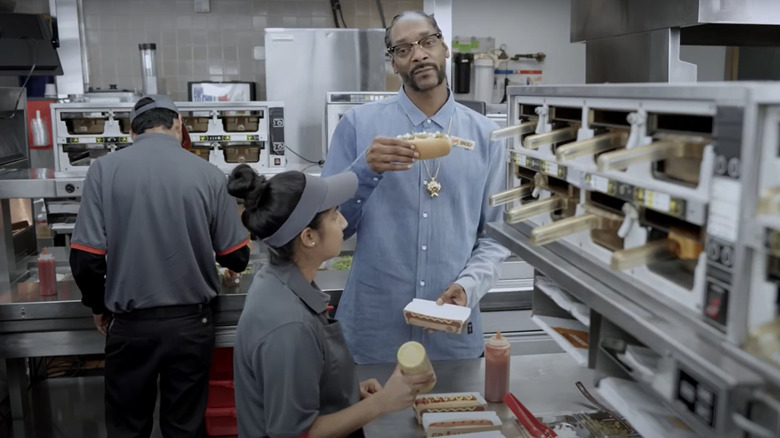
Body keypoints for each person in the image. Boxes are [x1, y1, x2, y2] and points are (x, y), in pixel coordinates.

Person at [321, 10, 510, 364]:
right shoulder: (359, 126)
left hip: (450, 332)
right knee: (364, 418)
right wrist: (365, 170)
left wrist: (469, 286)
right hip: (373, 331)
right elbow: (330, 224)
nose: (419, 54)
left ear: (445, 47)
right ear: (393, 63)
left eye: (427, 42)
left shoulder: (487, 136)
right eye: (403, 49)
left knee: (451, 418)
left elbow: (496, 235)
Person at [69, 94, 250, 438]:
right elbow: (236, 256)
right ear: (179, 123)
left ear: (132, 132)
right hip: (190, 326)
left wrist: (98, 305)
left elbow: (86, 259)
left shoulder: (104, 170)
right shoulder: (209, 174)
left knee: (127, 427)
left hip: (130, 325)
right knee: (185, 426)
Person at [229, 165, 435, 438]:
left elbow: (298, 382)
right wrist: (381, 403)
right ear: (309, 237)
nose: (344, 223)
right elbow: (295, 434)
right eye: (335, 215)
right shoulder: (290, 325)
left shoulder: (277, 280)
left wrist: (344, 394)